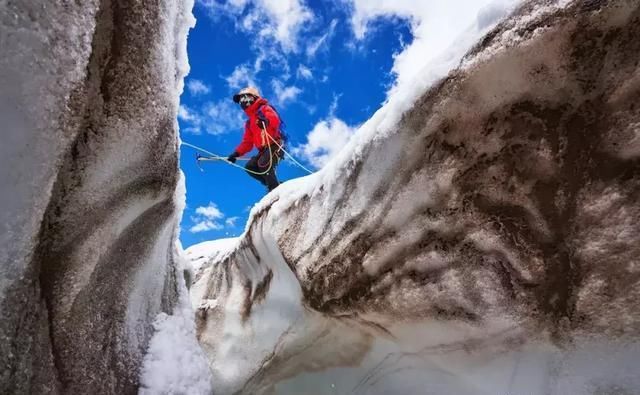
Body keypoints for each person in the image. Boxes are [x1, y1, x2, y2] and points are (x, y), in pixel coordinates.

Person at [227, 87, 283, 192]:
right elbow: (247, 142)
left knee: (263, 164)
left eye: (245, 98)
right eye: (241, 101)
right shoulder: (249, 123)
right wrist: (236, 153)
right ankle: (274, 185)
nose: (243, 102)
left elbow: (275, 119)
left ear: (253, 98)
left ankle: (274, 188)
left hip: (275, 144)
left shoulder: (264, 109)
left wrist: (266, 121)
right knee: (250, 167)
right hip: (263, 150)